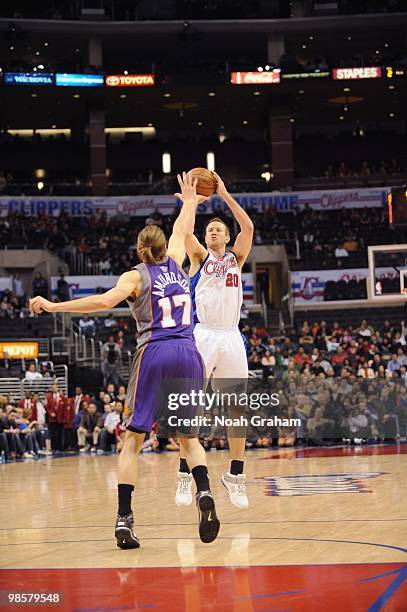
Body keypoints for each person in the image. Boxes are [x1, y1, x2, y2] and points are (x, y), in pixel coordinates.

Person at [29, 172, 220, 548]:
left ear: (139, 250)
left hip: (155, 352)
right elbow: (183, 230)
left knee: (132, 441)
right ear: (166, 246)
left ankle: (124, 520)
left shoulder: (135, 277)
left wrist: (53, 305)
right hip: (188, 353)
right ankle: (205, 493)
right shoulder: (179, 264)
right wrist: (189, 202)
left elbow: (101, 303)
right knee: (188, 438)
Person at [175, 171, 254, 510]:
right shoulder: (199, 258)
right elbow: (185, 232)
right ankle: (183, 472)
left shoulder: (237, 257)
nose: (212, 232)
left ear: (227, 237)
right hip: (203, 333)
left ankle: (235, 475)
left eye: (218, 229)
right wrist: (192, 203)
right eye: (210, 230)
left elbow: (248, 228)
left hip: (232, 335)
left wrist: (224, 192)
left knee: (237, 410)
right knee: (190, 407)